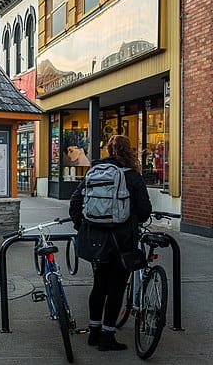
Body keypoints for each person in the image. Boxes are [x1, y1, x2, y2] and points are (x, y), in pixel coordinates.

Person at [69, 135, 152, 351]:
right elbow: (144, 210)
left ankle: (93, 332)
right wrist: (133, 221)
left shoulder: (94, 172)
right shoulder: (132, 176)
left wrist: (84, 227)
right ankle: (107, 336)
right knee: (116, 288)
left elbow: (75, 204)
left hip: (96, 239)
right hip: (122, 240)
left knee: (99, 285)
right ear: (129, 152)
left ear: (108, 150)